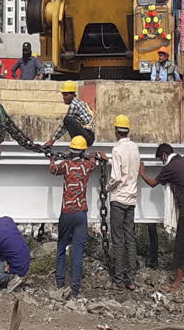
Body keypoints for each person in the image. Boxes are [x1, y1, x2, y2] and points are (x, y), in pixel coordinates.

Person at [138, 143, 184, 293]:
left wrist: (141, 172)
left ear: (164, 156)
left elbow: (154, 183)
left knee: (180, 247)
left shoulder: (171, 167)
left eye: (161, 160)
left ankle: (177, 283)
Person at [49, 135, 98, 298]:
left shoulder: (66, 165)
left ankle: (60, 280)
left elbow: (53, 170)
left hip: (67, 212)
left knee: (62, 245)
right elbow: (94, 160)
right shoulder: (87, 166)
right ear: (82, 151)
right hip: (80, 212)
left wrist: (52, 159)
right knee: (78, 250)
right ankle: (75, 288)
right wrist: (92, 155)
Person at [97, 115, 140, 291]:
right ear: (128, 130)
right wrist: (109, 160)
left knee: (118, 240)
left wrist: (107, 189)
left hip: (118, 199)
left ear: (116, 131)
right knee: (130, 239)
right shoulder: (135, 148)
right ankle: (131, 280)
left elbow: (115, 176)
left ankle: (119, 281)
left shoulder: (117, 149)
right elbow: (128, 167)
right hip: (131, 199)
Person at [44, 81, 95, 148]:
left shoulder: (74, 105)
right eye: (63, 95)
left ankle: (75, 146)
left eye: (66, 95)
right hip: (90, 135)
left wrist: (52, 140)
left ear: (73, 95)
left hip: (87, 136)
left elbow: (63, 126)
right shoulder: (79, 102)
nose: (64, 98)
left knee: (67, 120)